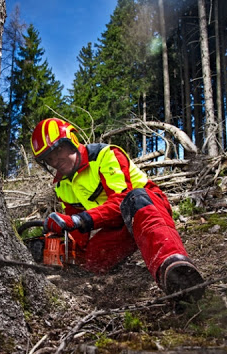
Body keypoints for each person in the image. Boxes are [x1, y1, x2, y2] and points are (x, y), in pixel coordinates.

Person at [30, 117, 205, 301]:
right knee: (90, 260)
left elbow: (121, 201)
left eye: (57, 150)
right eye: (49, 158)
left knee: (135, 198)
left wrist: (78, 220)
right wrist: (56, 248)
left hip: (147, 209)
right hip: (116, 225)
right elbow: (79, 232)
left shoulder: (105, 155)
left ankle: (174, 267)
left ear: (71, 140)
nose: (55, 160)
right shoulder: (62, 185)